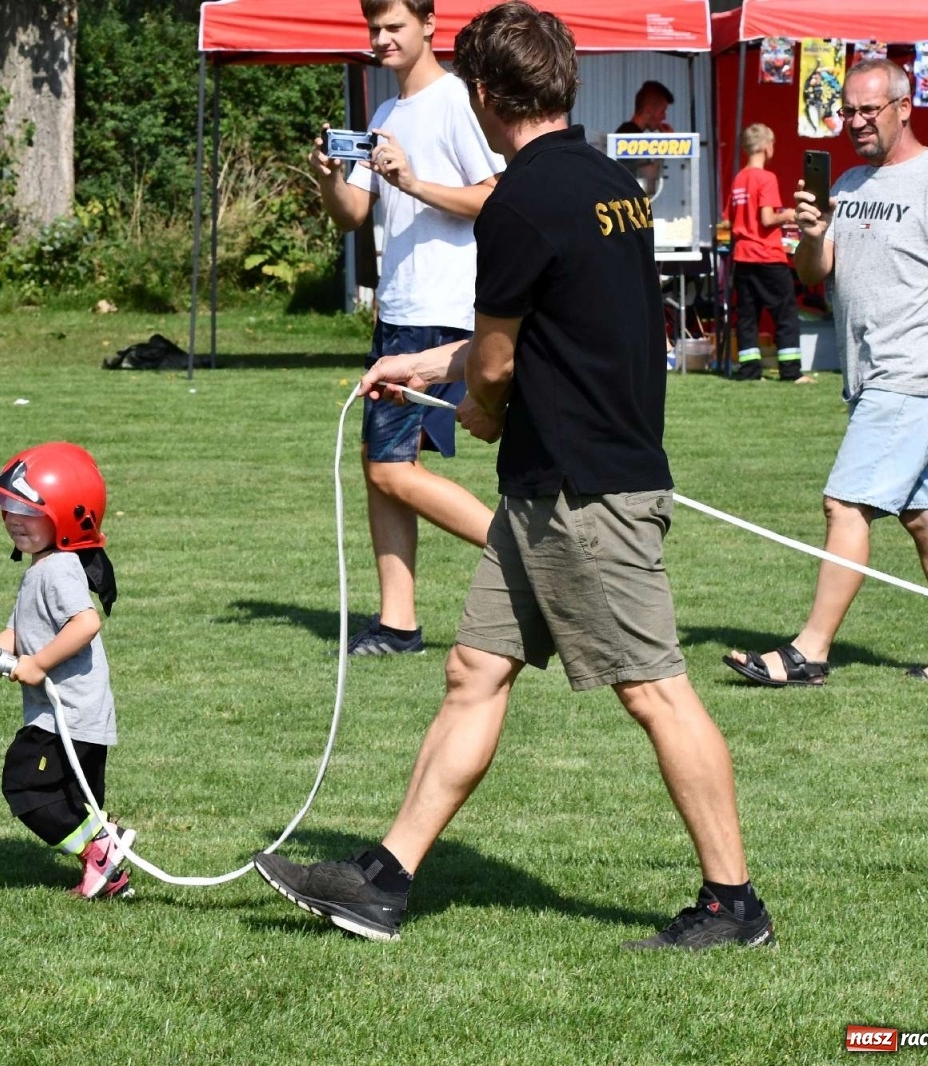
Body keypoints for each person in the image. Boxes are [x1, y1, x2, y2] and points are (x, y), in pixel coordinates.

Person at [254, 2, 773, 951]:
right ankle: (385, 878)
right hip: (553, 487)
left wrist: (476, 408)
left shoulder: (521, 200)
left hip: (586, 493)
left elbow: (497, 368)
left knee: (654, 688)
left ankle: (733, 905)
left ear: (487, 94)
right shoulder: (608, 183)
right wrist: (419, 367)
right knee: (473, 671)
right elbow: (542, 330)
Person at [725, 59, 928, 687]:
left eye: (869, 110)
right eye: (847, 110)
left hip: (911, 377)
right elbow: (816, 273)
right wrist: (815, 233)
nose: (855, 122)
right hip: (868, 380)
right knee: (925, 514)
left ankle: (809, 652)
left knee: (844, 503)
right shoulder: (844, 183)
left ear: (905, 108)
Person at [312, 0, 504, 656]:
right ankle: (398, 622)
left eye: (393, 26)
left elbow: (495, 198)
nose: (381, 39)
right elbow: (353, 214)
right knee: (382, 466)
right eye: (373, 28)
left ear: (428, 25)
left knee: (391, 468)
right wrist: (330, 180)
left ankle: (524, 553)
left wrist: (415, 182)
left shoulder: (455, 101)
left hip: (442, 313)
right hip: (396, 311)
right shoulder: (386, 114)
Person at [0, 442, 135, 900]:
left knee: (26, 786)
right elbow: (20, 628)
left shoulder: (57, 569)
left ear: (67, 516)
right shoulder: (43, 567)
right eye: (9, 508)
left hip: (67, 717)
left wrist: (37, 664)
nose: (13, 519)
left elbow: (86, 622)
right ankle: (105, 868)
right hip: (74, 717)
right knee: (77, 803)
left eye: (28, 511)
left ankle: (101, 849)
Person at [728, 123, 803, 381]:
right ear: (764, 146)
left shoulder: (739, 178)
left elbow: (729, 218)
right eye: (772, 144)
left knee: (747, 316)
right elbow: (768, 218)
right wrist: (791, 214)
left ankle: (749, 370)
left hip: (742, 256)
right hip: (768, 256)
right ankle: (791, 371)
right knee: (785, 313)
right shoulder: (766, 178)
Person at [615, 80, 674, 196]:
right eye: (662, 111)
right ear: (648, 110)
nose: (664, 117)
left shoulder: (630, 133)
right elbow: (649, 186)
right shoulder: (629, 136)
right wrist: (666, 145)